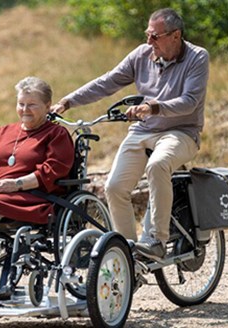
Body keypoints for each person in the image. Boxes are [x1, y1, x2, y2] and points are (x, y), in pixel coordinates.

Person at [50, 8, 209, 260]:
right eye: (147, 34)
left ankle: (156, 240)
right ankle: (127, 252)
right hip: (142, 130)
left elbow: (189, 102)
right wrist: (68, 101)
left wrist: (152, 107)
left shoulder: (197, 57)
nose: (149, 42)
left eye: (155, 36)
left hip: (181, 132)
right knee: (113, 187)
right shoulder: (142, 55)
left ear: (176, 35)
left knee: (158, 165)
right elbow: (107, 82)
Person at [0, 76, 75, 293]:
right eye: (21, 104)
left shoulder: (56, 134)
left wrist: (16, 184)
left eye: (32, 105)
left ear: (48, 106)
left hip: (35, 197)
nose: (24, 109)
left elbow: (53, 169)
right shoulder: (4, 131)